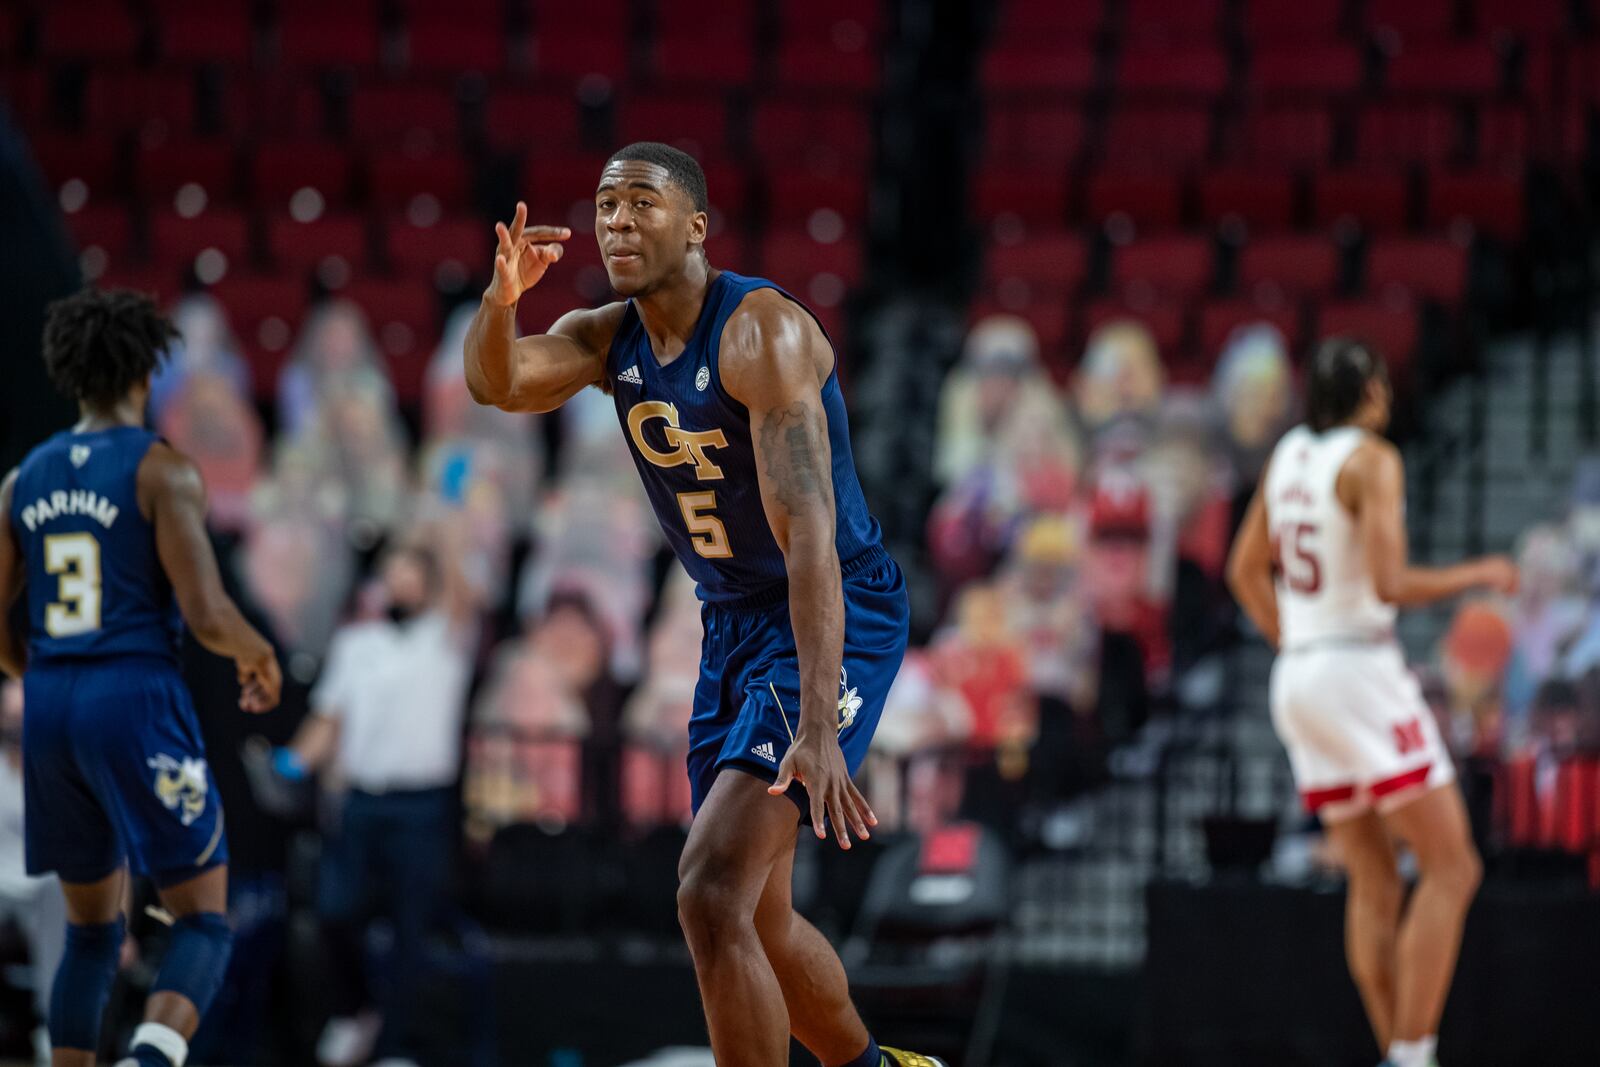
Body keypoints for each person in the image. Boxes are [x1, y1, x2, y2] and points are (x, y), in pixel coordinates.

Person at [463, 142, 939, 1067]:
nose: (618, 223)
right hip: (730, 625)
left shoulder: (760, 332)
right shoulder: (612, 338)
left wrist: (817, 718)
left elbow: (811, 538)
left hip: (829, 604)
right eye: (605, 207)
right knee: (757, 916)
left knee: (708, 892)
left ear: (695, 226)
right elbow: (500, 382)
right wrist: (501, 300)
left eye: (641, 203)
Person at [0, 288, 282, 1067]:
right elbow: (207, 609)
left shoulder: (22, 478)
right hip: (134, 693)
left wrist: (49, 677)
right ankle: (150, 1062)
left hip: (51, 705)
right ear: (145, 373)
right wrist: (260, 654)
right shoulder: (163, 471)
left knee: (91, 934)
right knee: (201, 918)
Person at [1226, 338, 1518, 1067]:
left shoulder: (1290, 452)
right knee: (1453, 867)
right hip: (1356, 666)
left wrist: (1294, 639)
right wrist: (1476, 572)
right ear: (1372, 393)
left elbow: (1242, 570)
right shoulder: (1372, 460)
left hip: (1299, 675)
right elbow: (1388, 582)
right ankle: (1414, 1054)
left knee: (1375, 875)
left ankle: (1399, 1051)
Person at [269, 528, 476, 1067]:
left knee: (413, 929)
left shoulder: (446, 639)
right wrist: (291, 762)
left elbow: (460, 586)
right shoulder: (356, 644)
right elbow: (328, 718)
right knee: (336, 911)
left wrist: (443, 516)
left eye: (413, 574)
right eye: (393, 572)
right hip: (361, 803)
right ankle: (355, 1010)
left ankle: (397, 1048)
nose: (400, 582)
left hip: (422, 807)